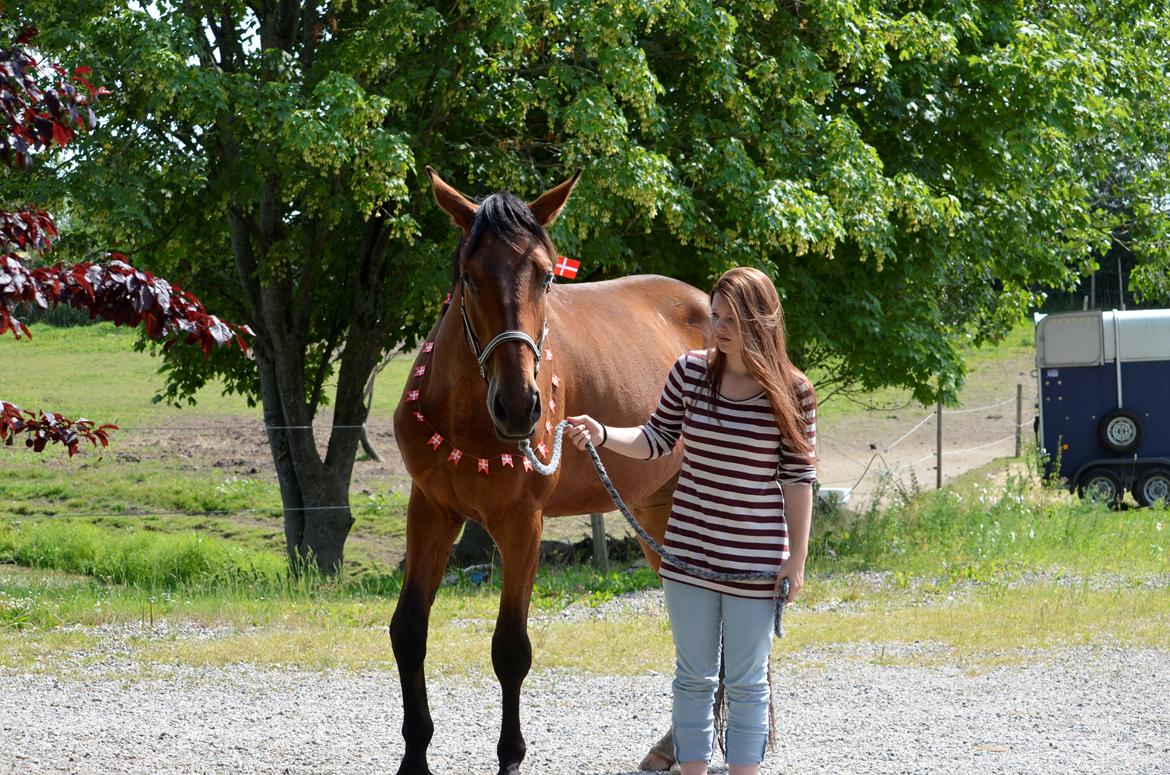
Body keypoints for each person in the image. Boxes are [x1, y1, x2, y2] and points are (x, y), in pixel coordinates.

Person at [566, 266, 816, 775]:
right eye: (716, 316)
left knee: (748, 683)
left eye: (732, 319)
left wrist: (797, 558)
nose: (717, 328)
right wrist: (603, 433)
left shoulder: (793, 391)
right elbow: (656, 438)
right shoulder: (689, 373)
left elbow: (797, 478)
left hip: (755, 562)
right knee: (694, 679)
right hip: (687, 555)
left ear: (761, 321)